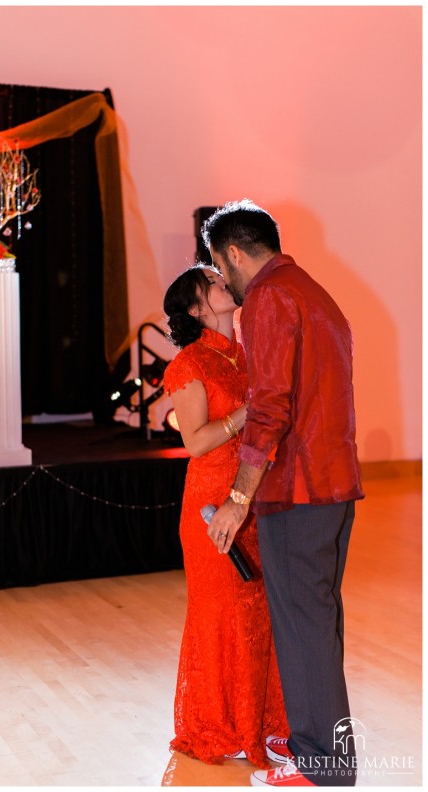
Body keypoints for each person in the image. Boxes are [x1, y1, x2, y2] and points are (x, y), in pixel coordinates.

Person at [201, 200, 364, 787]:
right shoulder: (313, 292)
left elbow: (269, 409)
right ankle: (317, 744)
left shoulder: (268, 298)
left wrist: (237, 499)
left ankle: (322, 765)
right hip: (332, 485)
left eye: (219, 267)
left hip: (297, 489)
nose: (224, 281)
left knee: (303, 624)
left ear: (234, 253)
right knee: (316, 621)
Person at [163, 263, 289, 768]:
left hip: (253, 495)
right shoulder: (189, 363)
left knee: (258, 613)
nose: (224, 284)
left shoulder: (245, 354)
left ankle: (259, 720)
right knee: (221, 613)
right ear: (197, 309)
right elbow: (195, 442)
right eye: (212, 283)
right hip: (213, 502)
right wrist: (245, 413)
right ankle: (218, 722)